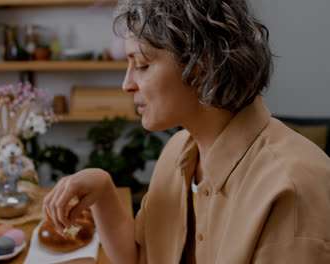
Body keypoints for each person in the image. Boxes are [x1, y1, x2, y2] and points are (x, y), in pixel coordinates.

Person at [43, 0, 330, 263]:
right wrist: (104, 191)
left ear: (201, 65)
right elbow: (141, 258)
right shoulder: (176, 151)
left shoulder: (294, 187)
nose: (126, 84)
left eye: (142, 65)